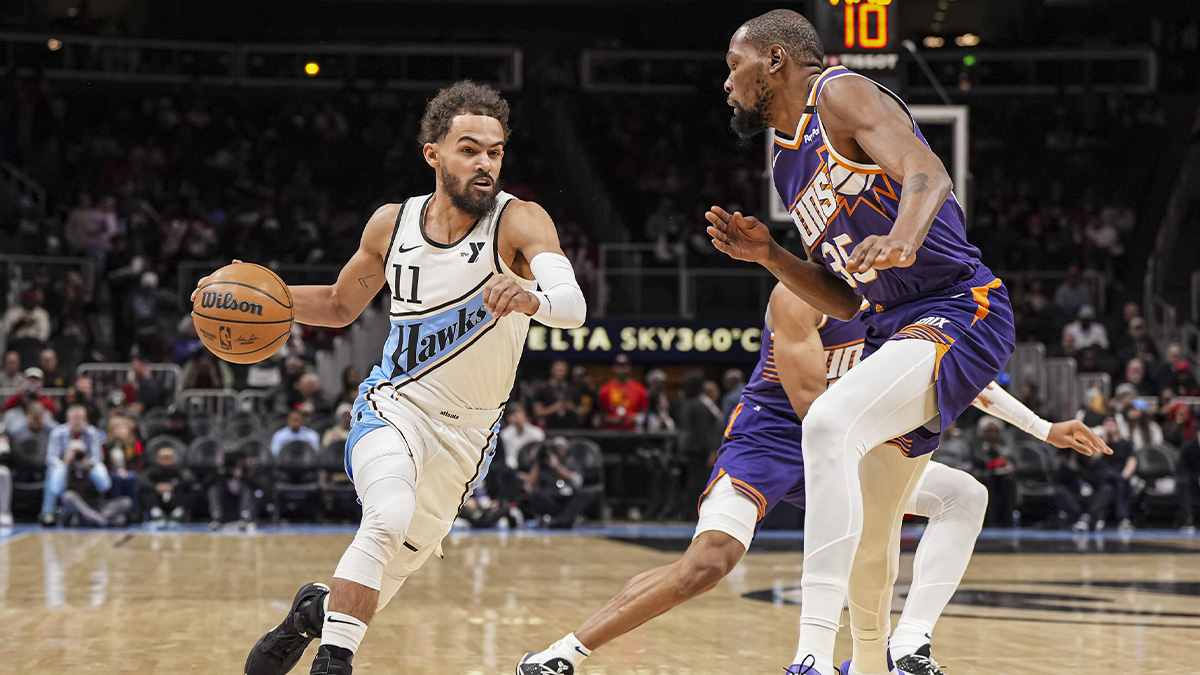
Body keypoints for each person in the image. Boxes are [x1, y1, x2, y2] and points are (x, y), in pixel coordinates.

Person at [517, 285, 1105, 675]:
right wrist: (883, 459)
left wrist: (1041, 426)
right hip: (771, 440)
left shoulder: (900, 300)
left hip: (844, 439)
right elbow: (810, 407)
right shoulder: (799, 292)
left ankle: (909, 643)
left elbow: (955, 371)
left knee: (964, 495)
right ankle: (559, 655)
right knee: (708, 562)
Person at [232, 80, 586, 675]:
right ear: (433, 154)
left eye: (495, 152)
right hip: (393, 406)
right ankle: (334, 665)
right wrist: (252, 297)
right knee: (387, 514)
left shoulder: (519, 221)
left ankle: (310, 614)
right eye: (469, 149)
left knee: (377, 583)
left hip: (468, 439)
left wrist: (529, 296)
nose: (485, 163)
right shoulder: (390, 225)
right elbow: (342, 306)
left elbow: (572, 307)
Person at [704, 10, 1018, 674]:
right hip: (892, 329)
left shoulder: (838, 93)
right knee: (876, 535)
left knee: (828, 421)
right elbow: (846, 298)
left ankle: (811, 651)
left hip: (961, 307)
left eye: (735, 64)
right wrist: (770, 256)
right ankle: (871, 662)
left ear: (776, 60)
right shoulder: (789, 164)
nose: (727, 80)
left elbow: (926, 170)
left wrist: (904, 236)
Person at [42, 406, 109, 526]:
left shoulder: (93, 432)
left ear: (86, 420)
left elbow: (97, 458)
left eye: (81, 418)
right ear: (68, 420)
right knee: (54, 473)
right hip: (64, 464)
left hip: (86, 464)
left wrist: (88, 462)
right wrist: (65, 461)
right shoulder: (58, 432)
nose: (78, 422)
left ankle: (100, 507)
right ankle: (48, 512)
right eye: (75, 419)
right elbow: (51, 458)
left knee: (102, 475)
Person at [1095, 416, 1137, 530]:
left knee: (1120, 484)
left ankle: (1109, 518)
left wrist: (1124, 475)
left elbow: (1131, 461)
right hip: (1104, 474)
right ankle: (1123, 518)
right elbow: (1095, 459)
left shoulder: (1126, 443)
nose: (1109, 427)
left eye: (1112, 425)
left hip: (1120, 475)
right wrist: (1103, 440)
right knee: (1115, 479)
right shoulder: (1101, 442)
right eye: (1107, 425)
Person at [139, 446, 194, 528]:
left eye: (168, 457)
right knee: (146, 490)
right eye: (163, 457)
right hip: (158, 501)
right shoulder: (153, 470)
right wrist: (156, 487)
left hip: (174, 500)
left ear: (173, 458)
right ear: (158, 458)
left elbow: (191, 478)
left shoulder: (179, 469)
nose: (166, 460)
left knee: (187, 489)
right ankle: (156, 514)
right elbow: (141, 479)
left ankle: (177, 514)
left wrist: (173, 486)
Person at [598, 354, 647, 431]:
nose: (621, 368)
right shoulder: (605, 389)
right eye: (619, 365)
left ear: (629, 367)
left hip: (633, 432)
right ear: (614, 367)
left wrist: (634, 418)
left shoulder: (639, 389)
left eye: (624, 365)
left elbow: (644, 412)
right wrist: (613, 420)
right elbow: (601, 415)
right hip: (611, 433)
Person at [531, 360, 584, 428]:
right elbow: (538, 412)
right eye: (558, 370)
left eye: (563, 370)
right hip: (550, 429)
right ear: (552, 371)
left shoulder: (574, 389)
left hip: (571, 429)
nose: (561, 373)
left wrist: (573, 408)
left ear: (567, 372)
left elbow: (582, 411)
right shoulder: (543, 389)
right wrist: (555, 408)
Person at [499, 402, 545, 471]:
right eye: (514, 415)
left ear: (524, 414)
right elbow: (509, 458)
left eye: (519, 413)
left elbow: (539, 456)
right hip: (513, 470)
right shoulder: (505, 435)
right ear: (509, 418)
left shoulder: (537, 433)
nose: (517, 417)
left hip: (534, 469)